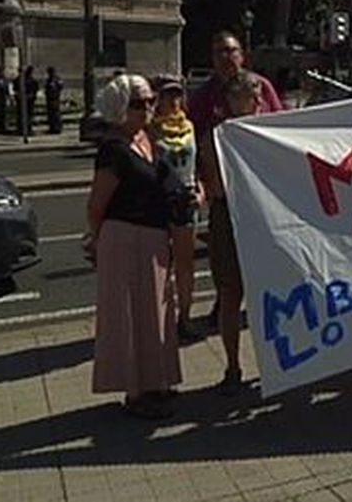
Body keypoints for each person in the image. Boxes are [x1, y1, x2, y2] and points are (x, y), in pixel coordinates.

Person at [188, 31, 283, 393]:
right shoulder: (214, 129)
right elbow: (202, 166)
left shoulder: (264, 95)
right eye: (219, 51)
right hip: (230, 216)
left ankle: (278, 361)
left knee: (271, 293)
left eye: (231, 50)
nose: (256, 102)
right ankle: (232, 366)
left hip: (268, 216)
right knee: (230, 293)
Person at [85, 75, 180, 419]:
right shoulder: (113, 149)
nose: (148, 108)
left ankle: (157, 382)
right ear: (119, 107)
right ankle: (135, 392)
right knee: (128, 316)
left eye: (151, 101)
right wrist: (98, 241)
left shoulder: (148, 139)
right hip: (123, 236)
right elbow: (96, 206)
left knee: (155, 313)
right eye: (139, 103)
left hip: (153, 236)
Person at [149, 74, 203, 343]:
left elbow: (198, 164)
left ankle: (185, 317)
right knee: (160, 266)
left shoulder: (190, 126)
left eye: (176, 95)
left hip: (187, 201)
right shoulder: (150, 129)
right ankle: (160, 319)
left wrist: (201, 191)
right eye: (166, 96)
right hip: (159, 204)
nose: (173, 101)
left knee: (185, 263)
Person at [13, 66, 38, 136]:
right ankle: (21, 129)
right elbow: (15, 90)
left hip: (30, 101)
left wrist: (32, 95)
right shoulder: (18, 80)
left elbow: (35, 89)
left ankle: (28, 129)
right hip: (21, 101)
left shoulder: (32, 80)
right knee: (21, 115)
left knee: (29, 115)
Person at [44, 66, 63, 134]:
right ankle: (52, 128)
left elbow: (60, 86)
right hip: (50, 99)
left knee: (56, 113)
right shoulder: (48, 80)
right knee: (51, 114)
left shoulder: (57, 79)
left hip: (55, 98)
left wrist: (56, 90)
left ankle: (57, 128)